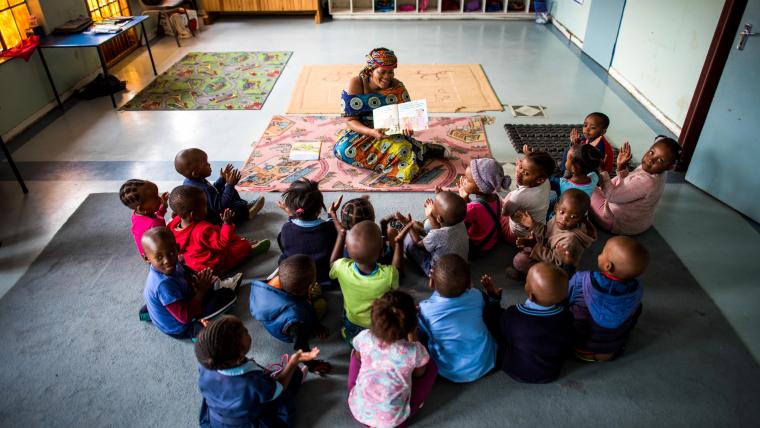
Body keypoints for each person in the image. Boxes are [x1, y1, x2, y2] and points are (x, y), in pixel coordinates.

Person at [334, 47, 448, 183]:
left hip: (388, 134)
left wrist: (407, 126)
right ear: (371, 70)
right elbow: (350, 120)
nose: (387, 76)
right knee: (343, 150)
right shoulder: (356, 84)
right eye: (382, 72)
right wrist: (371, 131)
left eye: (391, 72)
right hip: (361, 132)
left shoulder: (397, 86)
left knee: (403, 151)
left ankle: (423, 149)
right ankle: (420, 151)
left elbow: (407, 117)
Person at [195, 315, 321, 427]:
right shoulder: (253, 382)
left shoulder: (207, 363)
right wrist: (294, 361)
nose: (247, 330)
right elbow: (280, 387)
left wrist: (212, 333)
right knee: (292, 377)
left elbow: (214, 346)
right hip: (247, 422)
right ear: (239, 357)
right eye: (245, 331)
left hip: (217, 419)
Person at [348, 290, 437, 428]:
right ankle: (414, 404)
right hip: (393, 422)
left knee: (355, 353)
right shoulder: (414, 351)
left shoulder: (364, 337)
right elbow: (419, 374)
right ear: (411, 326)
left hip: (359, 409)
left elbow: (359, 358)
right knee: (430, 366)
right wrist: (413, 336)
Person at [481, 262, 573, 383]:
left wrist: (494, 299)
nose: (526, 283)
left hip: (515, 369)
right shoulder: (566, 317)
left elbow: (494, 322)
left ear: (531, 296)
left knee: (499, 328)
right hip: (550, 372)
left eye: (527, 282)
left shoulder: (514, 315)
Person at [141, 227, 237, 339]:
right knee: (228, 296)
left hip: (178, 299)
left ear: (177, 249)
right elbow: (185, 317)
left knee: (163, 301)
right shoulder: (163, 285)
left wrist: (196, 279)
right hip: (179, 326)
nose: (167, 261)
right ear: (147, 259)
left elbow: (185, 271)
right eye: (159, 257)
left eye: (171, 253)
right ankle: (195, 334)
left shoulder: (173, 264)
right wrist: (201, 291)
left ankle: (152, 312)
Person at [329, 214, 408, 345]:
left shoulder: (340, 267)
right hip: (379, 324)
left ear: (346, 249)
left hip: (353, 321)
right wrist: (399, 244)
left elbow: (332, 263)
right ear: (382, 252)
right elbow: (398, 271)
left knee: (351, 333)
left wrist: (341, 235)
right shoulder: (389, 275)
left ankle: (351, 338)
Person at [418, 254, 496, 383]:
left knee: (422, 331)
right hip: (483, 362)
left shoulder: (424, 310)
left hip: (449, 371)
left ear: (431, 282)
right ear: (470, 284)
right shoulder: (477, 296)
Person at [568, 236, 648, 361]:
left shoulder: (582, 280)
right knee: (638, 307)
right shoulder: (637, 290)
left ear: (608, 266)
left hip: (580, 347)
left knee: (565, 303)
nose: (599, 254)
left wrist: (568, 266)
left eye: (602, 252)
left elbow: (561, 294)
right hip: (610, 351)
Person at [249, 255, 332, 374]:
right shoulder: (296, 320)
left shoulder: (277, 280)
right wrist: (312, 365)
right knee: (321, 304)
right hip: (288, 330)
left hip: (275, 312)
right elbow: (300, 347)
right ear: (308, 288)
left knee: (316, 289)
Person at [167, 185, 269, 275]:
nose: (207, 207)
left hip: (194, 263)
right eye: (204, 206)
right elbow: (222, 244)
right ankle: (248, 250)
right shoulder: (203, 230)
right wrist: (227, 224)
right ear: (193, 214)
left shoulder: (173, 224)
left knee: (229, 238)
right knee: (242, 246)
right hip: (212, 265)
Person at [591, 137, 681, 235]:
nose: (651, 160)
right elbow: (630, 183)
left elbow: (611, 196)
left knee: (588, 183)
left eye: (660, 160)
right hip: (638, 222)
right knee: (612, 181)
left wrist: (602, 171)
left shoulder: (647, 181)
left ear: (670, 167)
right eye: (651, 152)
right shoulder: (658, 171)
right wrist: (622, 167)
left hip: (617, 222)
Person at [509, 189, 597, 278]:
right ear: (556, 208)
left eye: (573, 217)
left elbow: (555, 261)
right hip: (549, 248)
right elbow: (547, 232)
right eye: (562, 212)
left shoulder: (570, 240)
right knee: (531, 238)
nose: (565, 218)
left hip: (557, 268)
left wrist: (534, 245)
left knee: (520, 260)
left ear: (581, 219)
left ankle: (530, 277)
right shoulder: (557, 219)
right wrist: (532, 224)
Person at [175, 148, 264, 225]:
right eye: (205, 164)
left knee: (226, 189)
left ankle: (242, 205)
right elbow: (221, 206)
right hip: (216, 219)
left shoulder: (191, 181)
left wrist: (222, 179)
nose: (209, 164)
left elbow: (213, 190)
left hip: (210, 209)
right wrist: (230, 185)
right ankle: (245, 212)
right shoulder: (202, 189)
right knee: (230, 193)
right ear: (195, 173)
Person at [276, 178, 338, 285]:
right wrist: (331, 214)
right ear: (319, 210)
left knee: (282, 240)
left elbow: (292, 224)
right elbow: (334, 231)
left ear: (295, 210)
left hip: (296, 279)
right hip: (324, 278)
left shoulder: (286, 228)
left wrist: (290, 215)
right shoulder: (330, 227)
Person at [400, 190, 469, 276]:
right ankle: (420, 229)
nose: (432, 205)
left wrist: (408, 225)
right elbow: (441, 230)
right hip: (461, 266)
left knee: (408, 240)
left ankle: (409, 228)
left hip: (439, 273)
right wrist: (430, 215)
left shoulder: (437, 235)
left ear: (439, 219)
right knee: (428, 224)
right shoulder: (460, 222)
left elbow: (418, 243)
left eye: (434, 205)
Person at [456, 158, 511, 256]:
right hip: (491, 242)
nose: (463, 180)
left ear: (481, 188)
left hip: (476, 248)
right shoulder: (496, 197)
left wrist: (462, 199)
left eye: (467, 180)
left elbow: (457, 221)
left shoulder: (473, 208)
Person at [500, 150, 554, 245]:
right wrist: (528, 159)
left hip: (517, 235)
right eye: (520, 167)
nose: (518, 173)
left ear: (539, 180)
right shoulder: (546, 181)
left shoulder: (519, 196)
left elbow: (505, 212)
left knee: (494, 209)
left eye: (526, 173)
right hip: (539, 228)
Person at [120, 179, 168, 257]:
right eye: (156, 197)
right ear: (141, 209)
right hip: (158, 255)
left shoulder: (136, 215)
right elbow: (166, 241)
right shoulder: (155, 224)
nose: (160, 199)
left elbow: (156, 216)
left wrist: (163, 207)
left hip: (147, 252)